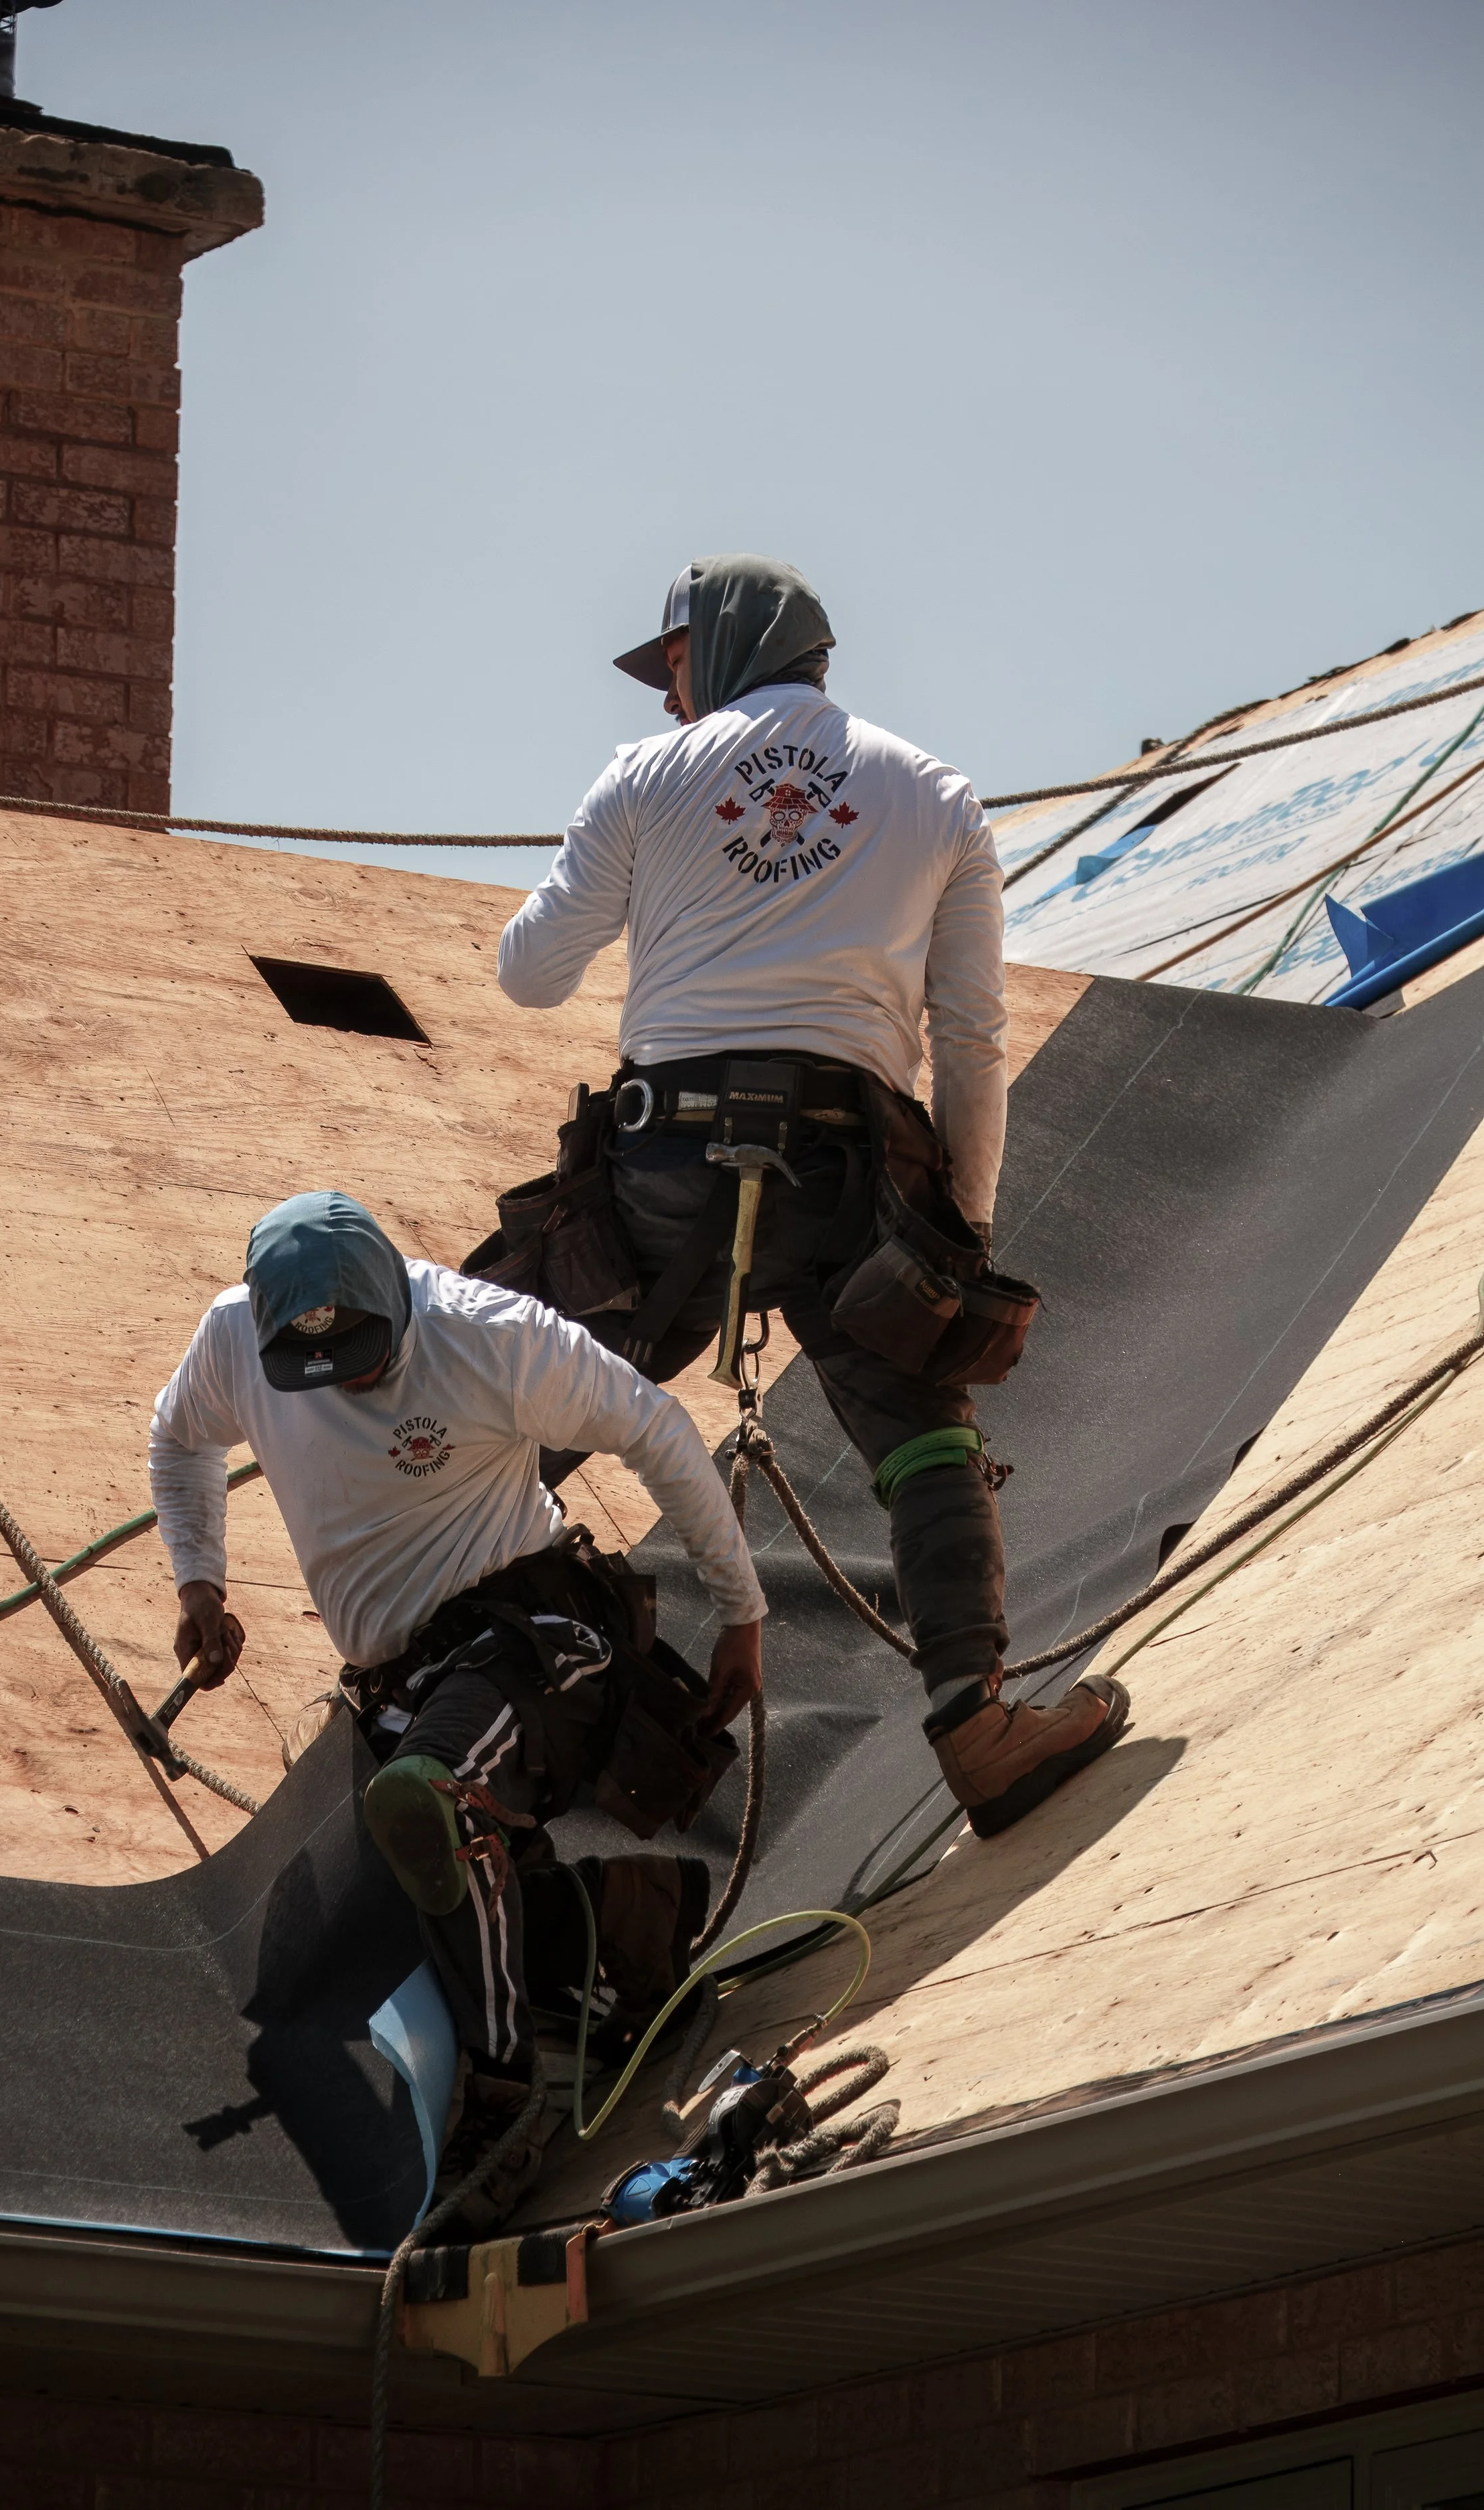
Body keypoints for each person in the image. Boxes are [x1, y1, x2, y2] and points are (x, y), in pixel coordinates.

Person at [494, 553, 1127, 1839]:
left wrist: (647, 869)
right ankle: (979, 1720)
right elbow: (972, 1039)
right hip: (854, 1174)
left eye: (672, 665)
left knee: (512, 1405)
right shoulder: (936, 794)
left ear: (717, 647)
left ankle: (451, 1703)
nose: (670, 697)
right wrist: (962, 1229)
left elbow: (529, 977)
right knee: (922, 1418)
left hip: (661, 1171)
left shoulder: (640, 777)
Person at [148, 1189, 765, 2231]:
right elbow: (178, 1443)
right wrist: (200, 1582)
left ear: (397, 1296)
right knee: (408, 1901)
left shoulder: (490, 1337)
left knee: (428, 1802)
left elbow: (655, 1425)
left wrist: (742, 1611)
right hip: (406, 1681)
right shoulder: (233, 1338)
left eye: (367, 1355)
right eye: (322, 1364)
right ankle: (633, 1929)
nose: (349, 1378)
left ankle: (504, 2089)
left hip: (538, 1631)